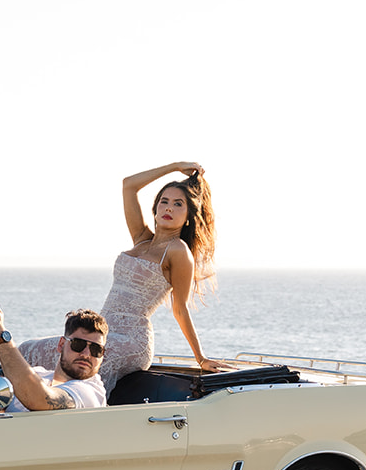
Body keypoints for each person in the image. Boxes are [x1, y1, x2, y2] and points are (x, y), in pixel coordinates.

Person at [20, 161, 220, 393]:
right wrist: (175, 167)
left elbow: (180, 309)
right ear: (155, 209)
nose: (168, 208)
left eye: (178, 204)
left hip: (131, 342)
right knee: (28, 350)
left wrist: (200, 358)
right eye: (164, 202)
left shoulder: (178, 251)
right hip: (100, 333)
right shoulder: (142, 239)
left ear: (187, 216)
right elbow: (129, 186)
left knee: (80, 373)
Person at [0, 300, 107, 411]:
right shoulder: (38, 374)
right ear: (61, 344)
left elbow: (40, 399)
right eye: (78, 345)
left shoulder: (90, 392)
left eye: (96, 350)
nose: (86, 354)